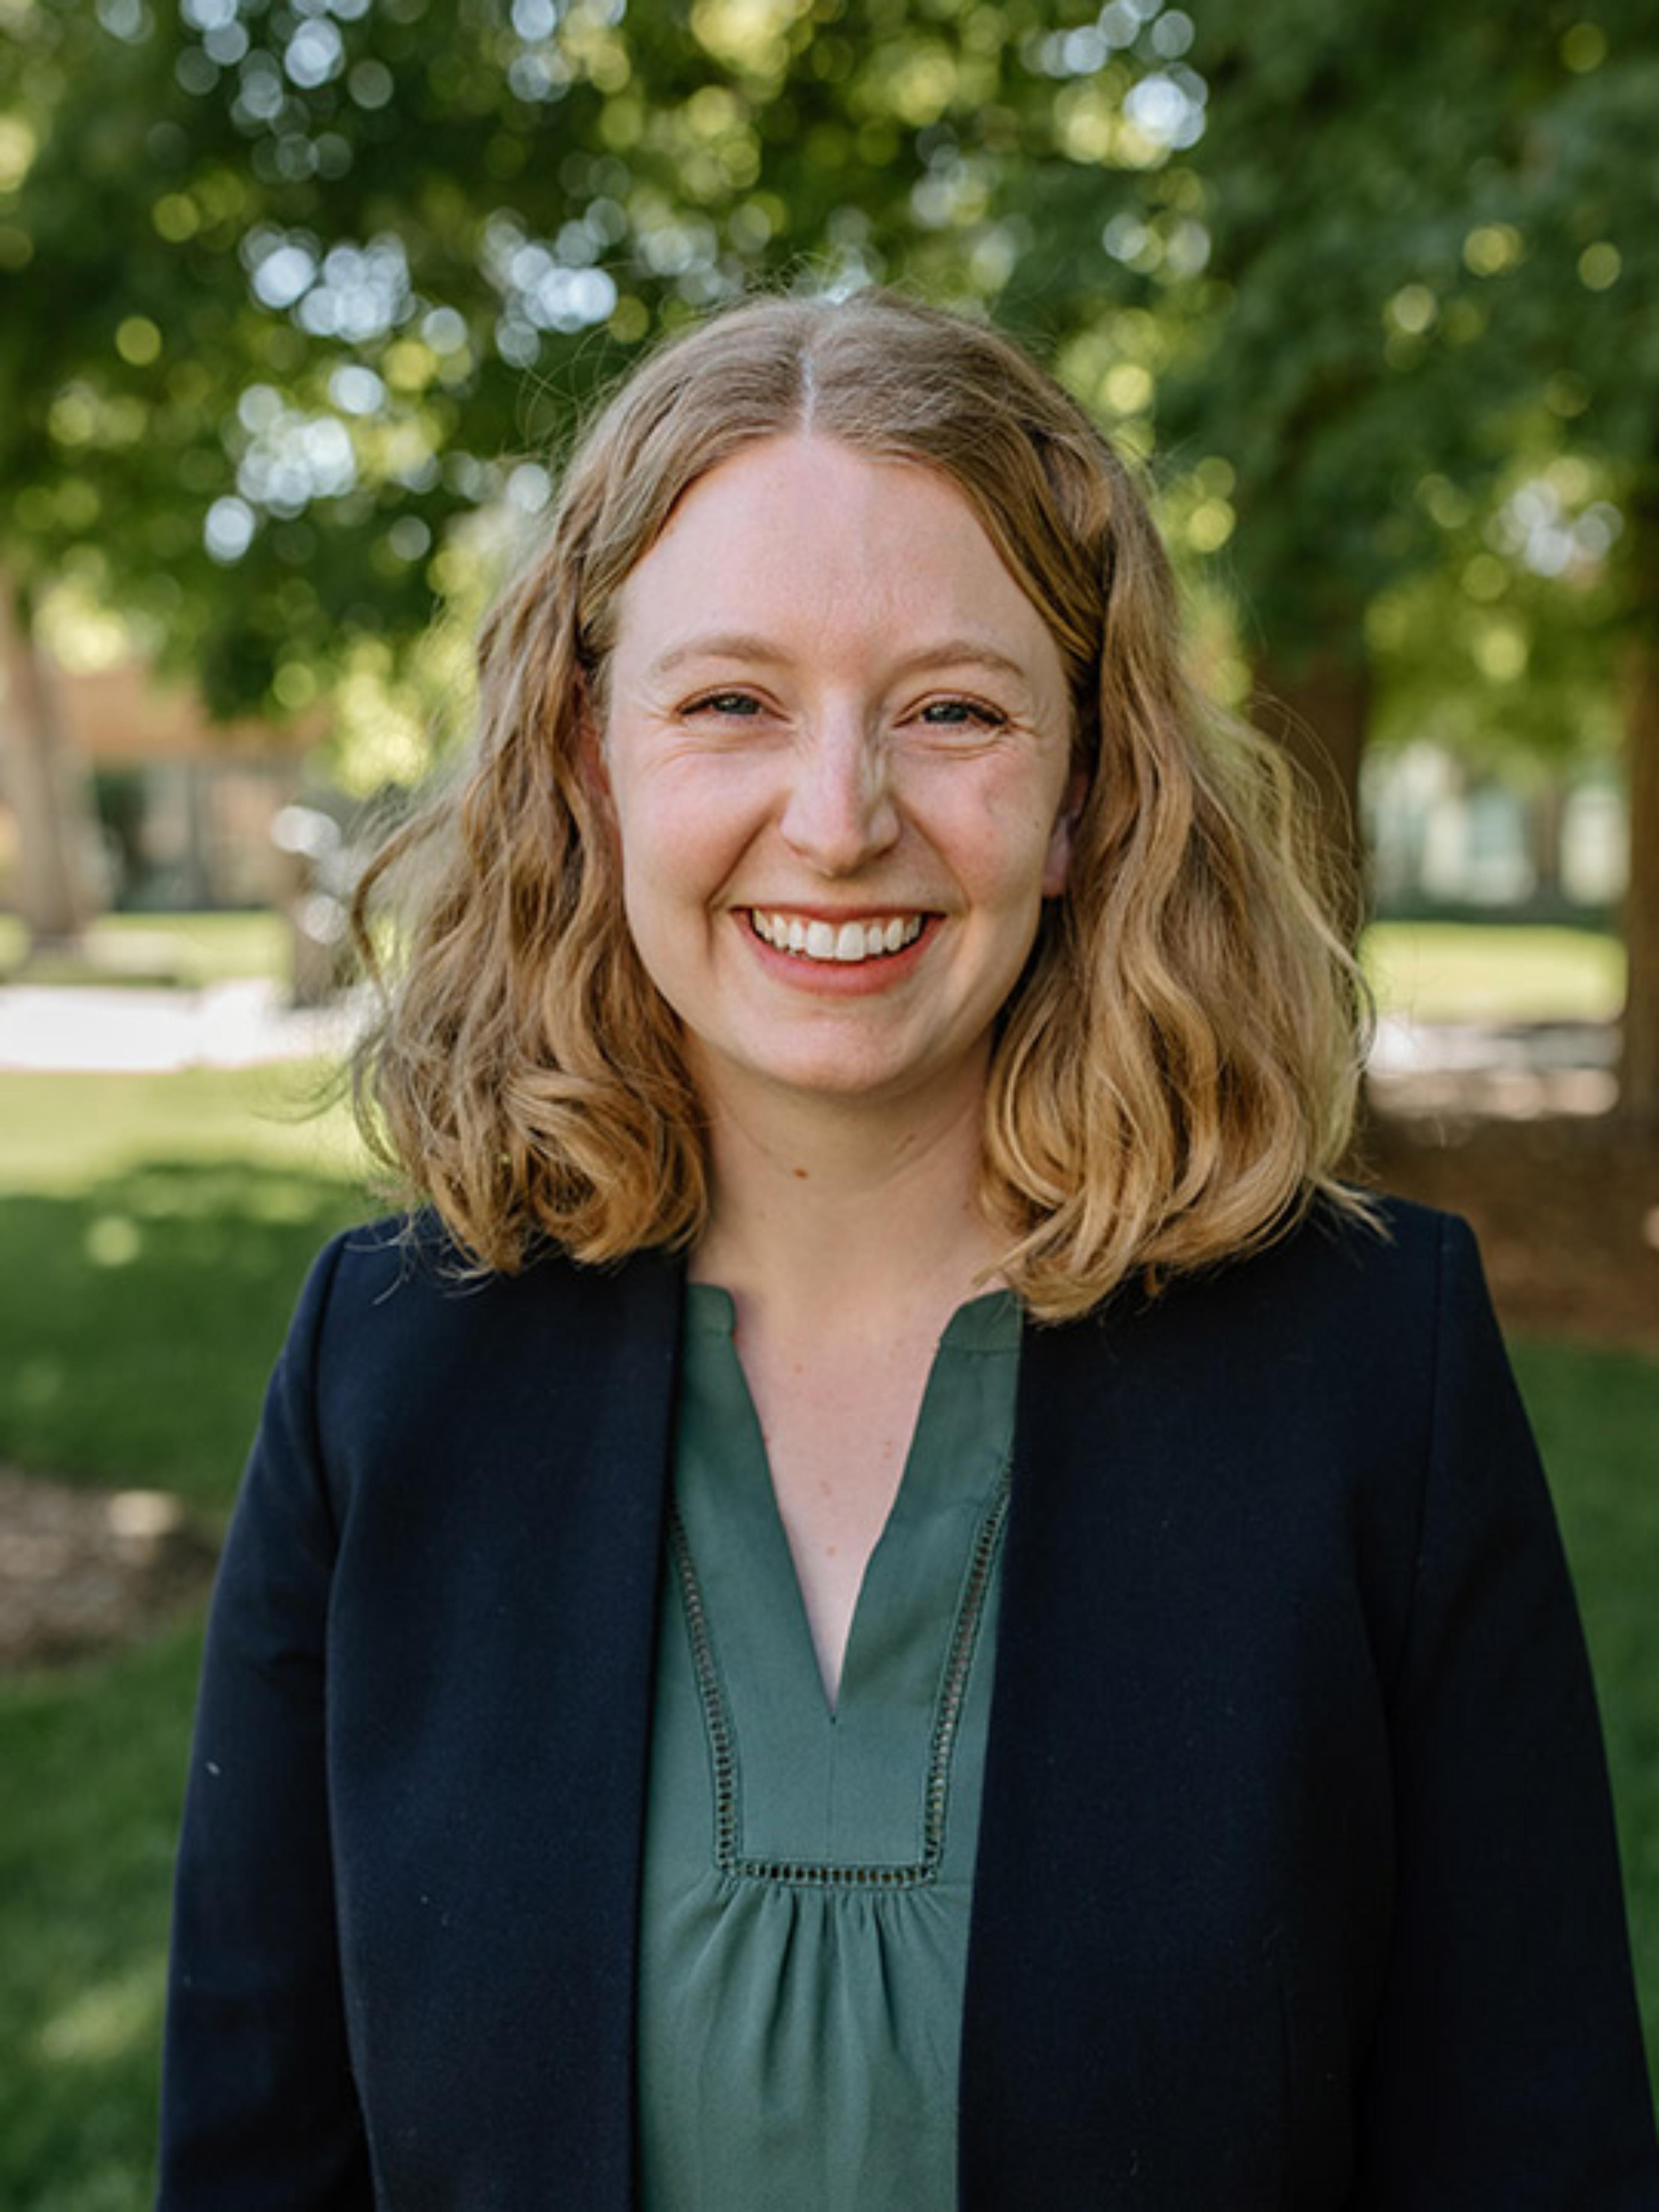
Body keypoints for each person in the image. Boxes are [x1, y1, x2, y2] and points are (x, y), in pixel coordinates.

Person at [156, 291, 1659, 2209]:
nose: (839, 816)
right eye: (730, 703)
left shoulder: (1375, 1373)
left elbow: (1530, 2161)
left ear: (1081, 793)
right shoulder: (384, 1371)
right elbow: (257, 2163)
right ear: (591, 765)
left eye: (952, 708)